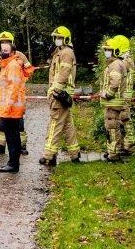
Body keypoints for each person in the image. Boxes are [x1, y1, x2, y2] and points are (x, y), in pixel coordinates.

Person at [0, 31, 35, 172]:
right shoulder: (9, 65)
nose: (2, 52)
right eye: (2, 50)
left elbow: (13, 88)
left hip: (11, 109)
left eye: (6, 50)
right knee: (11, 136)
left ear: (12, 52)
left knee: (12, 137)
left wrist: (8, 106)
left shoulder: (13, 66)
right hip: (10, 109)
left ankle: (13, 164)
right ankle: (12, 163)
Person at [40, 25, 81, 166]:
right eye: (56, 38)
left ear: (66, 39)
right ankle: (75, 154)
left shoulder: (66, 53)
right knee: (68, 125)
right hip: (63, 94)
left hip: (59, 94)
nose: (57, 40)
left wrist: (53, 91)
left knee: (54, 124)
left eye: (60, 38)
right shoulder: (61, 52)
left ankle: (49, 156)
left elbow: (63, 74)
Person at [0, 31, 30, 156]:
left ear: (12, 44)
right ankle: (0, 145)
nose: (4, 44)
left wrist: (21, 80)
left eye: (7, 42)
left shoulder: (19, 56)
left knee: (18, 122)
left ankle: (22, 145)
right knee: (1, 121)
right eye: (2, 42)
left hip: (15, 94)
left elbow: (29, 70)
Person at [101, 35, 134, 162]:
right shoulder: (123, 62)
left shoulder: (117, 64)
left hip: (115, 101)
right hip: (121, 99)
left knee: (113, 126)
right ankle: (120, 149)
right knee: (122, 125)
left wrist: (107, 94)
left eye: (108, 50)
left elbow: (114, 83)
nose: (106, 52)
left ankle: (115, 153)